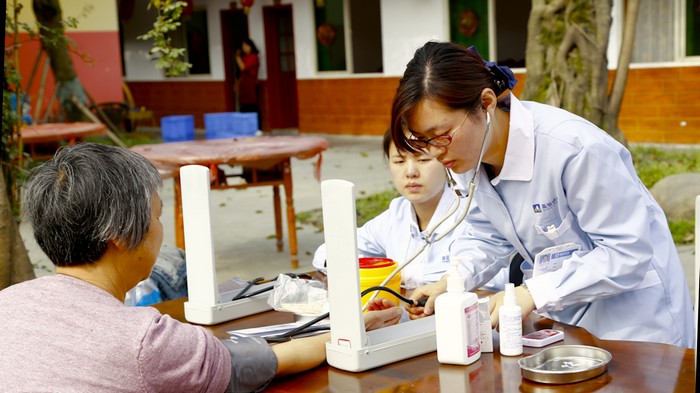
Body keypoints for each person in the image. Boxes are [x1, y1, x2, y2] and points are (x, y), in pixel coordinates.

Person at [0, 143, 402, 391]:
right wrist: (352, 326)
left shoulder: (8, 304)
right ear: (120, 236)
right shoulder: (144, 341)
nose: (160, 230)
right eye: (157, 216)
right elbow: (255, 365)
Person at [391, 41, 694, 348]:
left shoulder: (574, 149)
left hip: (638, 321)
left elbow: (626, 252)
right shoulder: (467, 156)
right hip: (569, 316)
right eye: (422, 140)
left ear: (485, 104)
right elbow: (485, 236)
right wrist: (454, 280)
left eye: (441, 135)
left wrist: (534, 292)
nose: (435, 152)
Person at [312, 129, 508, 291]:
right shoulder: (396, 214)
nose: (410, 172)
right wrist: (372, 272)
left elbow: (494, 278)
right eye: (399, 161)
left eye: (423, 160)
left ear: (446, 163)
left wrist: (401, 274)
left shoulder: (471, 212)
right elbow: (327, 253)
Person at [236, 38, 260, 126]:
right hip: (244, 85)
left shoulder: (253, 57)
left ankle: (257, 127)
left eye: (246, 46)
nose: (244, 48)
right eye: (243, 46)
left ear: (250, 46)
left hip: (251, 85)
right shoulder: (245, 57)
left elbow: (243, 68)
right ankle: (246, 126)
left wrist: (237, 57)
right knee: (244, 106)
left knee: (252, 106)